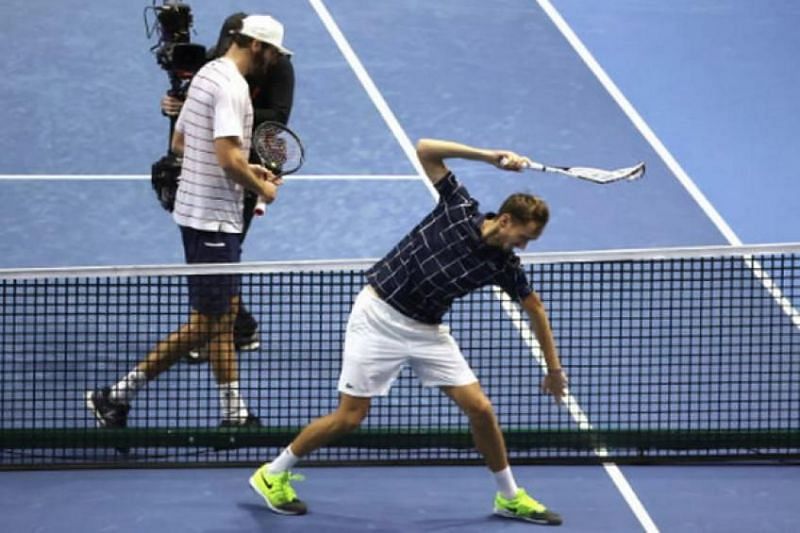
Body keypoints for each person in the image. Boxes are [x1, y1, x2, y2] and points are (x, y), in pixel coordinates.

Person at [248, 139, 569, 524]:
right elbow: (426, 149)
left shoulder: (504, 265)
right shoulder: (457, 207)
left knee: (480, 409)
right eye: (524, 237)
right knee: (350, 418)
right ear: (505, 220)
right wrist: (490, 157)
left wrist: (553, 370)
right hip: (378, 316)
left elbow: (535, 308)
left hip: (426, 330)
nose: (524, 246)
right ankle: (272, 474)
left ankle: (509, 497)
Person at [85, 15, 292, 429]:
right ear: (257, 46)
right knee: (207, 323)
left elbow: (181, 141)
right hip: (213, 219)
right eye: (272, 53)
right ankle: (116, 395)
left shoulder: (207, 75)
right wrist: (261, 185)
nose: (275, 61)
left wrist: (245, 168)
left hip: (195, 210)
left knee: (224, 314)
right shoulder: (233, 87)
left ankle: (233, 411)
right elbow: (230, 160)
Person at [162, 11, 295, 356]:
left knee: (225, 257)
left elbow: (278, 117)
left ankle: (213, 329)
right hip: (220, 176)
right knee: (224, 262)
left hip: (253, 161)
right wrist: (177, 107)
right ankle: (235, 327)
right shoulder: (217, 70)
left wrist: (230, 116)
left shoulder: (277, 67)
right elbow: (183, 137)